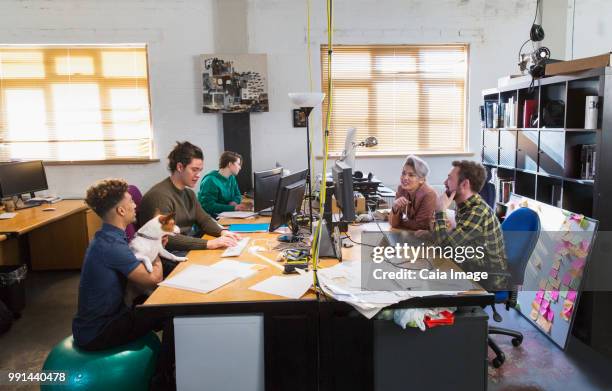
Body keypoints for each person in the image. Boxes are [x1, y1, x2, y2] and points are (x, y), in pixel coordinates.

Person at [72, 179, 174, 388]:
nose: (135, 204)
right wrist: (155, 254)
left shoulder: (108, 237)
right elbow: (154, 279)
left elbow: (138, 282)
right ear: (120, 210)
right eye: (130, 201)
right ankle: (162, 380)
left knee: (163, 304)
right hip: (99, 331)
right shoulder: (112, 246)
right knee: (171, 312)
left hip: (106, 318)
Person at [138, 142, 240, 272]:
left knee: (228, 260)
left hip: (185, 247)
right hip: (168, 256)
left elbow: (204, 219)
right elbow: (167, 238)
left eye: (200, 170)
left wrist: (223, 232)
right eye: (194, 170)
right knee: (222, 268)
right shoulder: (159, 196)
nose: (198, 175)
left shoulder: (188, 193)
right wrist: (208, 244)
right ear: (180, 167)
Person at [427, 160, 509, 291]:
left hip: (487, 279)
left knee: (426, 283)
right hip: (471, 266)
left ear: (464, 184)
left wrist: (440, 211)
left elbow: (445, 249)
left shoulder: (477, 212)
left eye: (449, 179)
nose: (444, 183)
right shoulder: (465, 206)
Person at [389, 155, 436, 231]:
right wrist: (395, 207)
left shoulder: (429, 194)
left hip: (427, 237)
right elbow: (393, 223)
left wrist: (400, 222)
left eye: (411, 175)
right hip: (410, 233)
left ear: (421, 180)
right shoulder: (401, 189)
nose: (405, 178)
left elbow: (421, 226)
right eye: (403, 173)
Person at [198, 151, 251, 217]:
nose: (240, 167)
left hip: (227, 214)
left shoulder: (231, 177)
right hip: (212, 219)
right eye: (238, 164)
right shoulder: (210, 181)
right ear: (230, 164)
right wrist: (234, 208)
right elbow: (208, 206)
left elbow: (237, 195)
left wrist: (234, 202)